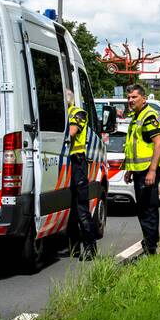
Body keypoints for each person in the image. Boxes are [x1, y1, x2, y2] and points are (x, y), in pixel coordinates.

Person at [123, 84, 160, 255]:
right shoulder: (137, 116)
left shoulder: (149, 115)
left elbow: (159, 143)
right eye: (128, 97)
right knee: (143, 209)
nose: (130, 100)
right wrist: (129, 169)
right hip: (139, 170)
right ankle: (151, 241)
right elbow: (135, 146)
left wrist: (152, 171)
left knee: (147, 210)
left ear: (143, 98)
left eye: (134, 97)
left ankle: (151, 248)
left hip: (148, 170)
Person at [65, 89, 96, 260]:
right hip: (68, 163)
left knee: (81, 208)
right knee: (72, 210)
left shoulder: (77, 112)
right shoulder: (67, 113)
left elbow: (71, 132)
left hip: (78, 162)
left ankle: (90, 248)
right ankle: (74, 247)